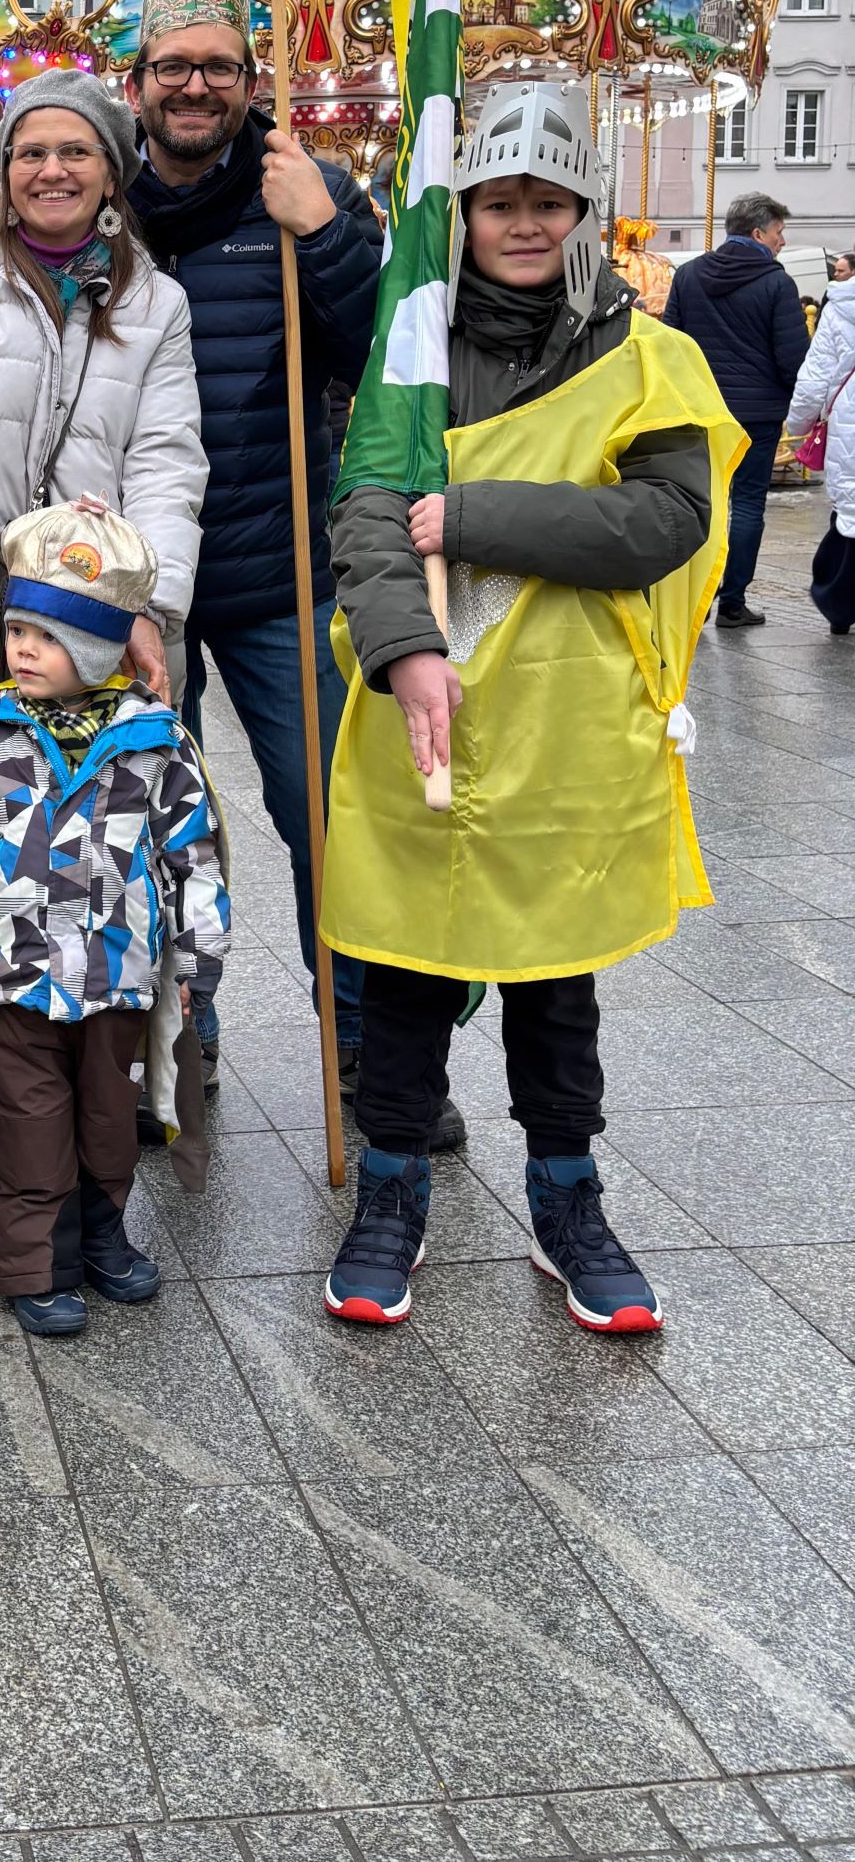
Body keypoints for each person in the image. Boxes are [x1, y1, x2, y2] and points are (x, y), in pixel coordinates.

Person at [321, 81, 739, 1334]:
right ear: (463, 212)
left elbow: (667, 520)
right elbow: (365, 510)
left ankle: (567, 1196)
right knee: (401, 969)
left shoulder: (646, 354)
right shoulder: (409, 350)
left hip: (569, 727)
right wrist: (401, 648)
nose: (519, 222)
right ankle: (390, 1193)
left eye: (542, 203)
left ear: (579, 212)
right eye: (495, 200)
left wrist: (480, 511)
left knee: (556, 985)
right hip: (425, 711)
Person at [117, 0, 460, 1140]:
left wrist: (321, 239)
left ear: (248, 77)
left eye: (216, 65)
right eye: (173, 66)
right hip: (134, 578)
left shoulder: (306, 191)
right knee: (150, 817)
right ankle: (174, 1029)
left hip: (278, 569)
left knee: (327, 816)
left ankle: (364, 1041)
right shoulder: (99, 204)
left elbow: (388, 359)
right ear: (137, 80)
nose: (194, 86)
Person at [0, 500, 229, 1334]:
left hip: (116, 976)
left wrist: (200, 957)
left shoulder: (156, 741)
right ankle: (33, 1261)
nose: (20, 647)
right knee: (29, 1125)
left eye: (46, 636)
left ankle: (100, 1232)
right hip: (16, 978)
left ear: (94, 647)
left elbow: (194, 855)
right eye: (17, 627)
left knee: (106, 1119)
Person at [0, 64, 205, 712]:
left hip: (104, 605)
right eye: (30, 153)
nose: (51, 169)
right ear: (5, 171)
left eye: (75, 151)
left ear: (111, 173)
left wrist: (148, 604)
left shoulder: (156, 302)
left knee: (108, 800)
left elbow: (165, 467)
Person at [662, 191, 809, 628]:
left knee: (700, 503)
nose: (782, 242)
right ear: (758, 233)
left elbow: (670, 343)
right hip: (757, 417)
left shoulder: (688, 276)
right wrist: (785, 399)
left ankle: (695, 602)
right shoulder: (777, 283)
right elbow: (793, 357)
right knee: (746, 505)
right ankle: (732, 603)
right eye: (779, 233)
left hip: (700, 411)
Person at [788, 265, 855, 635]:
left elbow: (815, 377)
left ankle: (838, 603)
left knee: (849, 515)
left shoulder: (841, 306)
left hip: (849, 424)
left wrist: (798, 424)